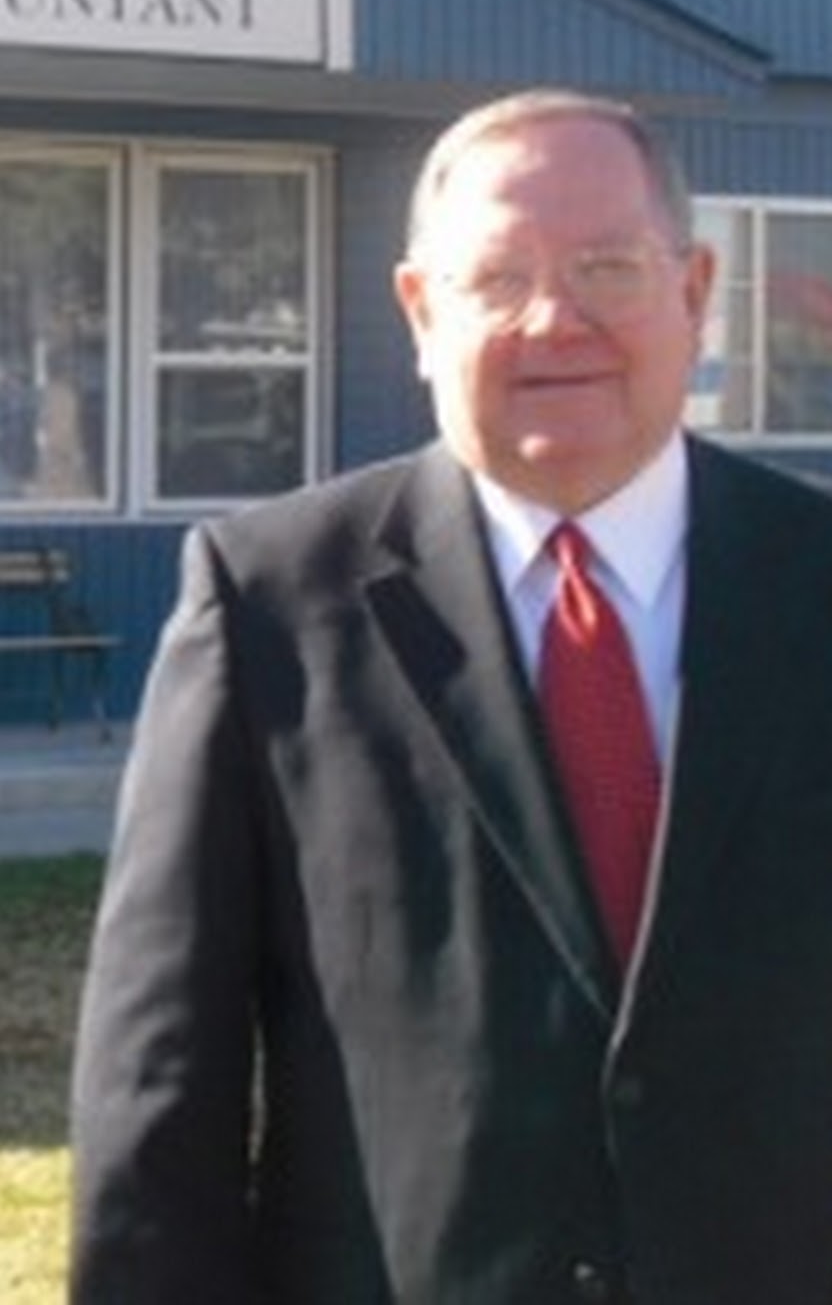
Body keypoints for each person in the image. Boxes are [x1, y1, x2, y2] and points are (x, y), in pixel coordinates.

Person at [69, 88, 832, 1304]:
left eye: (606, 267)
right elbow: (158, 1071)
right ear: (421, 312)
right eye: (497, 278)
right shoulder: (265, 604)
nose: (554, 318)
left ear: (692, 291)